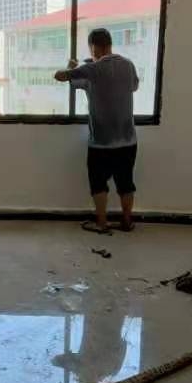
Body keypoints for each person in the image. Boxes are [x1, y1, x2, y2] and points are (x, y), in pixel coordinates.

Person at [54, 28, 140, 234]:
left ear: (94, 47)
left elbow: (59, 76)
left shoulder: (91, 69)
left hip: (101, 143)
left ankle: (102, 223)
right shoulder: (128, 64)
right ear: (110, 44)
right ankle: (127, 222)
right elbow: (134, 87)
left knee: (98, 183)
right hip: (128, 140)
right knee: (126, 183)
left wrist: (72, 66)